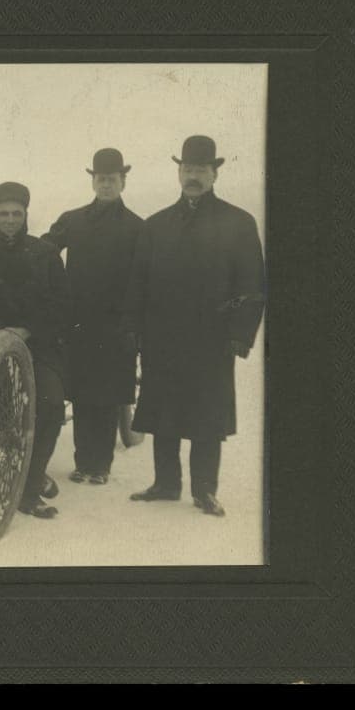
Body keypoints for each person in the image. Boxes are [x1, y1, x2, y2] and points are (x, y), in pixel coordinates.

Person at [124, 136, 265, 516]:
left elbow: (251, 286)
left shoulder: (238, 222)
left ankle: (205, 490)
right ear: (179, 172)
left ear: (215, 173)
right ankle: (165, 484)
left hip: (211, 339)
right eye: (187, 169)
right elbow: (138, 282)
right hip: (162, 338)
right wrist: (135, 331)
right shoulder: (155, 226)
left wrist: (238, 332)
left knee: (207, 416)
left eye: (201, 170)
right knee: (163, 413)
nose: (193, 176)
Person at [0, 182, 71, 519]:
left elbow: (61, 304)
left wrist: (25, 330)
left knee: (49, 402)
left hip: (37, 347)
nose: (9, 220)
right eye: (3, 213)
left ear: (25, 216)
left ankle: (29, 489)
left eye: (16, 214)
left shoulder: (46, 255)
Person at [42, 148, 145, 485]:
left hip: (117, 327)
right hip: (80, 324)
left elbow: (144, 279)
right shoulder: (73, 219)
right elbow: (45, 250)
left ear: (123, 182)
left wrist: (133, 324)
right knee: (84, 396)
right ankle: (82, 462)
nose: (105, 185)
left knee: (109, 397)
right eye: (100, 179)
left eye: (112, 179)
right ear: (93, 181)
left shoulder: (137, 227)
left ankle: (101, 465)